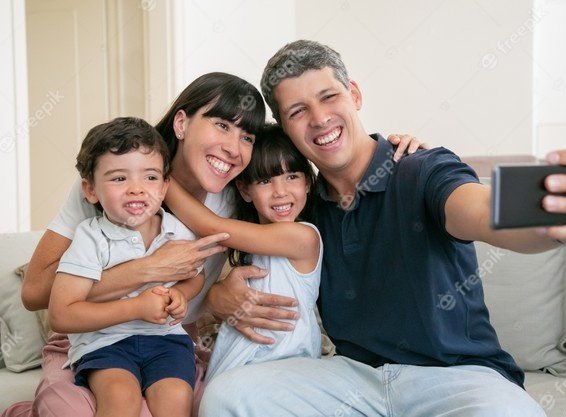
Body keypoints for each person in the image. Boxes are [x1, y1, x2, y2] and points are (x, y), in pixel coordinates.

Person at [200, 40, 566, 416]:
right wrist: (219, 296)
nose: (320, 118)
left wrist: (554, 218)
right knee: (228, 396)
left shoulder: (421, 169)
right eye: (298, 112)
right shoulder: (298, 204)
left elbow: (480, 209)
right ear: (286, 129)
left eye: (329, 97)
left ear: (355, 95)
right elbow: (234, 246)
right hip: (351, 379)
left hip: (456, 378)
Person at [5, 69, 420, 417]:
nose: (233, 147)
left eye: (246, 136)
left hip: (168, 339)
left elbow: (305, 173)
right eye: (221, 125)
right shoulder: (116, 181)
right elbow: (37, 293)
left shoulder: (238, 192)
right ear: (182, 124)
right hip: (93, 337)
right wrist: (145, 270)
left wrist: (388, 153)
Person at [48, 116, 205, 417]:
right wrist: (137, 308)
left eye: (150, 177)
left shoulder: (177, 231)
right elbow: (61, 314)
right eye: (119, 178)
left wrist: (182, 294)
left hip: (166, 340)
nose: (137, 189)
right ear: (91, 190)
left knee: (175, 398)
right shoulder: (91, 238)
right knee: (121, 398)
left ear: (164, 187)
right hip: (105, 343)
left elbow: (195, 276)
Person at [164, 123, 322, 389]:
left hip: (287, 366)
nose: (280, 191)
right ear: (245, 190)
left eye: (292, 176)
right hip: (236, 367)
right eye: (264, 181)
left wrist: (161, 177)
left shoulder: (304, 237)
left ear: (307, 182)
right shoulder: (249, 247)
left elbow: (211, 227)